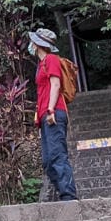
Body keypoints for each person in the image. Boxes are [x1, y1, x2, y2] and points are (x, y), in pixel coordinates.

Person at [29, 28, 78, 201]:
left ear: (37, 44)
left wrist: (50, 110)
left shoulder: (51, 59)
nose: (31, 45)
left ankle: (69, 196)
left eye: (33, 42)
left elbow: (55, 85)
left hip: (54, 112)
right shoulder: (41, 64)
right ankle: (63, 191)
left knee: (57, 155)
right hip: (45, 116)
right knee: (48, 161)